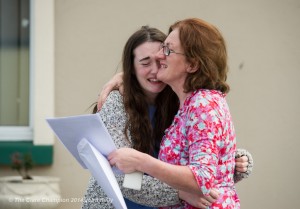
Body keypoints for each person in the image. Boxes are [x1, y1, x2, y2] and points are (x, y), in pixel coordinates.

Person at [82, 25, 252, 209]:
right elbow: (120, 175)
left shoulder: (184, 100)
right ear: (130, 68)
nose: (155, 69)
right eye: (145, 63)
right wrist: (178, 194)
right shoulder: (117, 103)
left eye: (162, 56)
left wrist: (232, 161)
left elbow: (196, 163)